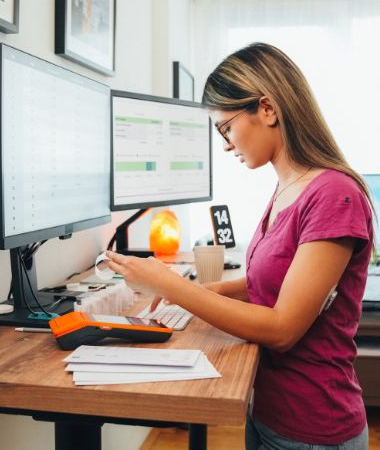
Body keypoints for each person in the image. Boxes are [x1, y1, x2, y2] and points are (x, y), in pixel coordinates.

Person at [106, 43, 374, 449]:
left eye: (226, 128)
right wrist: (195, 295)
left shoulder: (335, 194)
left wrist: (170, 285)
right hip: (269, 411)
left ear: (267, 109)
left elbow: (283, 329)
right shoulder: (288, 187)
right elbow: (268, 282)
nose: (227, 144)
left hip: (312, 426)